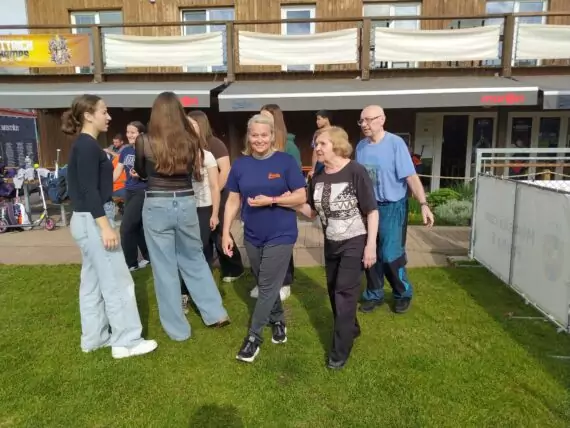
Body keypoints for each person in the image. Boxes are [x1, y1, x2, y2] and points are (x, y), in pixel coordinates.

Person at [62, 94, 157, 359]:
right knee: (117, 281)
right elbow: (89, 190)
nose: (109, 116)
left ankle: (94, 338)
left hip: (86, 220)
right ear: (88, 115)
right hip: (94, 220)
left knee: (92, 281)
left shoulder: (87, 146)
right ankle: (126, 341)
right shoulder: (87, 146)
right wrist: (105, 227)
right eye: (104, 111)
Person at [134, 91, 230, 341]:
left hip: (157, 201)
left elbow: (141, 171)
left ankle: (178, 330)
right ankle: (216, 313)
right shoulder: (190, 140)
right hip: (186, 201)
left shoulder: (144, 140)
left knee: (164, 266)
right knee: (194, 258)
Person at [222, 114, 306, 363]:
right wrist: (226, 232)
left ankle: (253, 338)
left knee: (266, 287)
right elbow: (233, 200)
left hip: (281, 233)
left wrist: (272, 200)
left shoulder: (285, 162)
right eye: (254, 135)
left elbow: (301, 196)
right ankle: (278, 320)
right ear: (248, 137)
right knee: (265, 281)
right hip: (252, 235)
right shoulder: (240, 165)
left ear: (272, 136)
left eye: (264, 135)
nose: (259, 139)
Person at [296, 126, 378, 369]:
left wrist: (370, 246)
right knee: (334, 292)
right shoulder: (318, 175)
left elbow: (372, 211)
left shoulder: (355, 171)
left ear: (337, 145)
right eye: (316, 144)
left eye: (322, 143)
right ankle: (351, 328)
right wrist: (285, 201)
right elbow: (312, 212)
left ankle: (339, 352)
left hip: (355, 240)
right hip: (331, 243)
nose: (317, 148)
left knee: (344, 293)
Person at [356, 105, 434, 315]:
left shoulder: (395, 144)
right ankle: (374, 294)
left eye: (368, 120)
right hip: (368, 208)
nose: (364, 124)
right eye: (361, 121)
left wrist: (424, 204)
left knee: (390, 255)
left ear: (382, 120)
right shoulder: (361, 147)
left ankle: (402, 293)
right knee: (370, 252)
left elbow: (411, 176)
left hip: (393, 207)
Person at [252, 103, 302, 301]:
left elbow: (296, 180)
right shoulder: (257, 145)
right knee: (260, 246)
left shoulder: (289, 147)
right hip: (259, 205)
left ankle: (285, 282)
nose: (262, 120)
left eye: (266, 117)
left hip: (281, 204)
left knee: (282, 245)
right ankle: (263, 282)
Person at [187, 110, 244, 283]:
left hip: (218, 193)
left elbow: (225, 170)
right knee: (204, 235)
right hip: (200, 198)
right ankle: (207, 266)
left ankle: (234, 268)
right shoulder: (188, 145)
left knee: (220, 233)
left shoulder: (215, 144)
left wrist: (214, 193)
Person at [178, 114, 221, 314]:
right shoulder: (176, 155)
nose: (192, 128)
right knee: (184, 251)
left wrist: (215, 214)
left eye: (195, 126)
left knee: (202, 249)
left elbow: (214, 186)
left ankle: (203, 294)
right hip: (183, 208)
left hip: (204, 208)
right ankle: (183, 293)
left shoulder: (207, 156)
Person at [113, 121, 150, 272]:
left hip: (142, 191)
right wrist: (106, 184)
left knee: (126, 228)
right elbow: (118, 170)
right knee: (138, 226)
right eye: (128, 132)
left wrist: (141, 175)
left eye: (133, 132)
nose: (129, 135)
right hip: (128, 190)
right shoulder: (126, 151)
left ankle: (131, 263)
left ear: (141, 134)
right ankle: (148, 256)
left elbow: (152, 173)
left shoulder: (148, 150)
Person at [309, 110, 333, 179]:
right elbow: (315, 152)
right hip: (321, 164)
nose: (317, 121)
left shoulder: (335, 132)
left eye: (319, 119)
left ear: (326, 119)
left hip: (331, 163)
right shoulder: (317, 133)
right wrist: (313, 169)